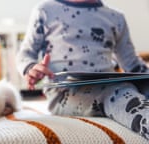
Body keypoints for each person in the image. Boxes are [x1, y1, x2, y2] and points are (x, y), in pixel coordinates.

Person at [16, 0, 149, 139]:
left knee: (137, 87)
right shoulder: (45, 11)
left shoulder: (116, 17)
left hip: (109, 84)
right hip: (65, 94)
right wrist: (31, 68)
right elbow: (25, 54)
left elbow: (132, 64)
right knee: (120, 93)